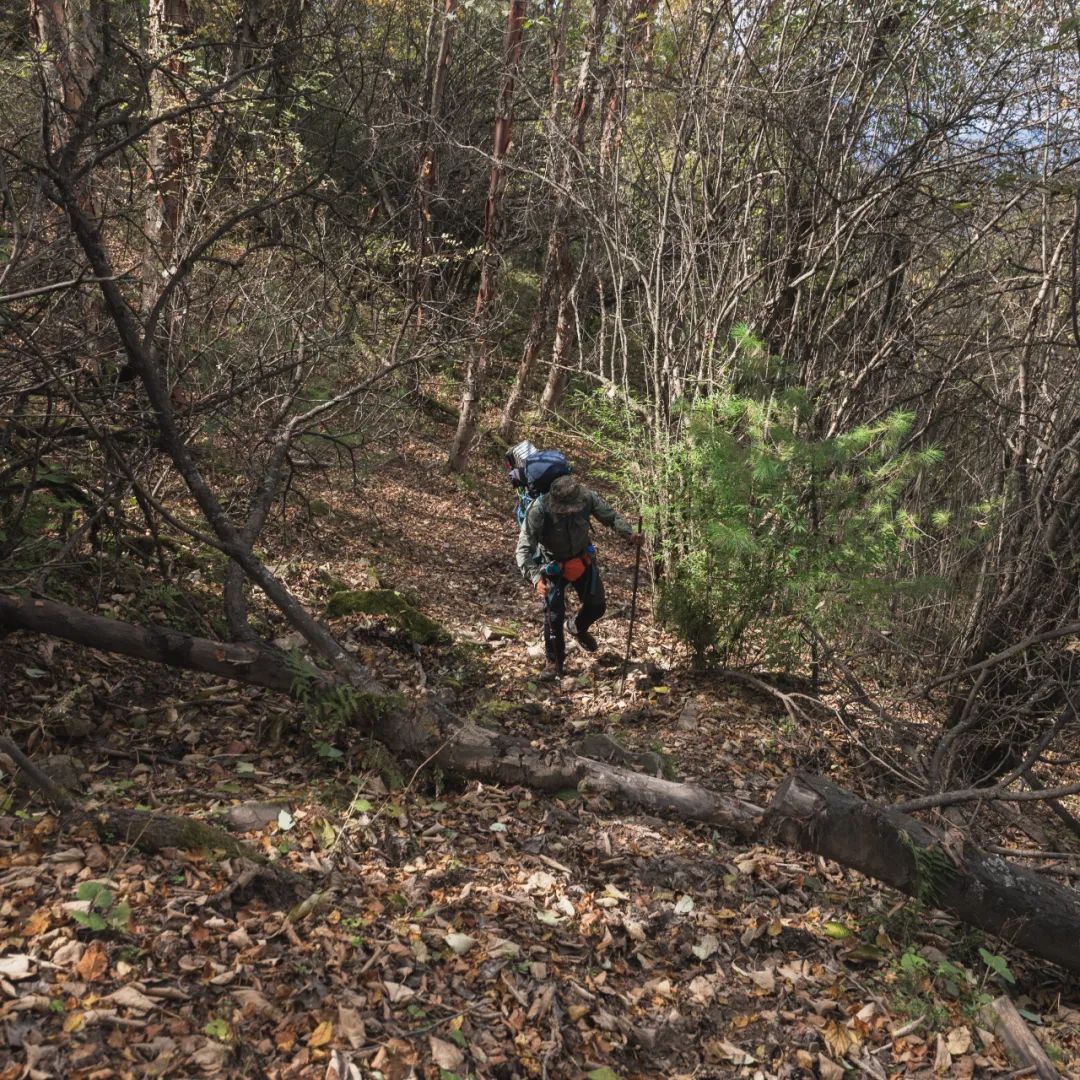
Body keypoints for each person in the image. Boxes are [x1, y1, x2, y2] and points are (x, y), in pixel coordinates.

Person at [516, 473, 642, 679]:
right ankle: (554, 662)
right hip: (552, 565)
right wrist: (535, 578)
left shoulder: (587, 498)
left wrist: (629, 534)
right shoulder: (538, 510)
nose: (568, 513)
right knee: (553, 616)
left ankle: (577, 627)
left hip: (582, 560)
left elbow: (611, 517)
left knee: (597, 606)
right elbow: (523, 548)